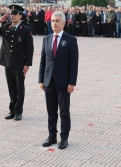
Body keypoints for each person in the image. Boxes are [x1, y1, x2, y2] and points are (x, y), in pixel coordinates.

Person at [38, 11, 79, 150]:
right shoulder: (46, 39)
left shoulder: (71, 40)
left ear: (64, 23)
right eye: (53, 20)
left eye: (57, 21)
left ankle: (64, 138)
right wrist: (41, 80)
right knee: (51, 111)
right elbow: (43, 61)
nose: (54, 23)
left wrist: (72, 82)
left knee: (63, 112)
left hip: (63, 82)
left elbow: (74, 64)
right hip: (49, 81)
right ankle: (52, 136)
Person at [0, 5, 34, 121]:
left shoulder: (25, 30)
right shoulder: (5, 26)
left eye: (15, 14)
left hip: (19, 63)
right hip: (7, 62)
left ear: (20, 16)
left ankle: (18, 111)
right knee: (11, 87)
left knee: (19, 88)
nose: (12, 15)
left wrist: (27, 65)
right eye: (11, 13)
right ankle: (12, 110)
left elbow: (30, 49)